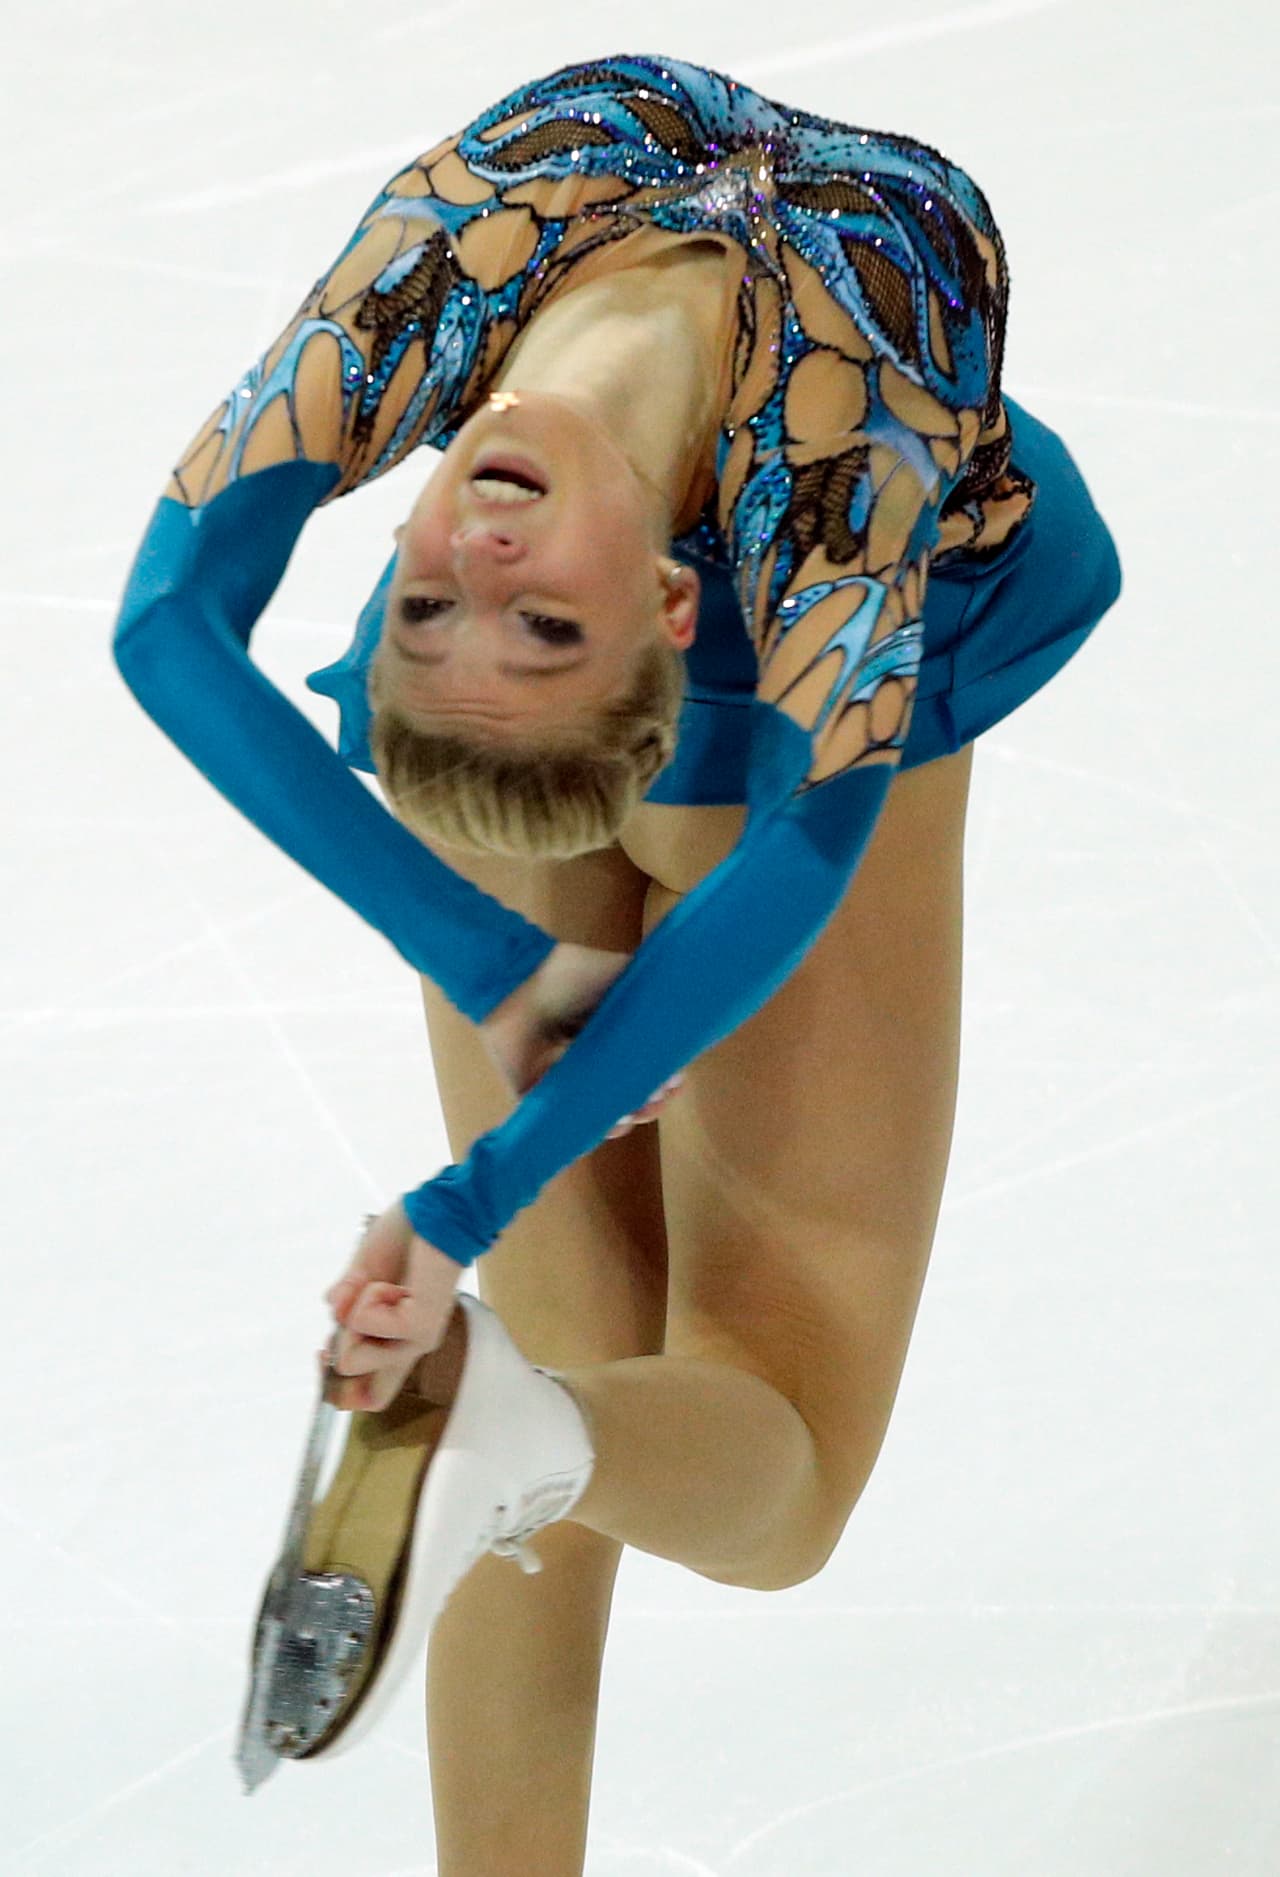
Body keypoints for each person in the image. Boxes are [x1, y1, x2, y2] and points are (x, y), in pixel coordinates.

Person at [113, 51, 1121, 1869]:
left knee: (583, 1385)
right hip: (739, 758)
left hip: (725, 739)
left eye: (449, 602)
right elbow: (809, 833)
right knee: (764, 1446)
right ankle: (519, 1433)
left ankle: (512, 1426)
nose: (482, 555)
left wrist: (482, 1130)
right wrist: (488, 977)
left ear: (667, 609)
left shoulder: (469, 259)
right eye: (503, 615)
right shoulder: (806, 377)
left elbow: (174, 616)